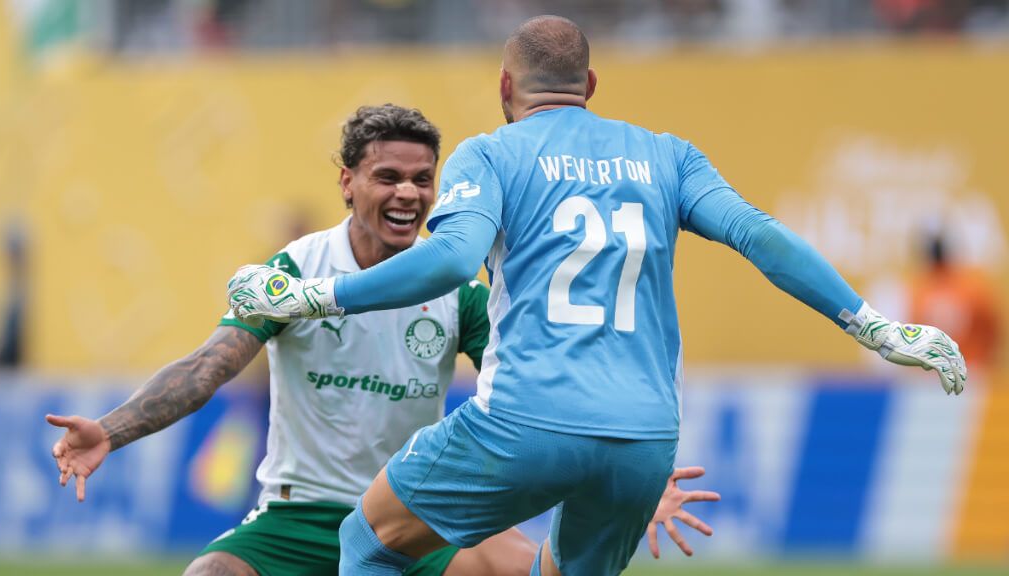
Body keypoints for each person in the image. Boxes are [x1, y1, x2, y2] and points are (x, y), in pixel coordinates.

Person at [228, 15, 969, 576]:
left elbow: (451, 260)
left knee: (369, 537)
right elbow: (760, 237)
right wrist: (874, 326)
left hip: (524, 422)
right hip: (644, 440)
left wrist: (315, 297)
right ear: (590, 87)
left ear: (505, 89)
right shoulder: (669, 155)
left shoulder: (491, 153)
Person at [47, 104, 717, 576]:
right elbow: (208, 367)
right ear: (347, 183)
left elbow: (549, 401)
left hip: (411, 512)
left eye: (423, 180)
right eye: (387, 177)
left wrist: (632, 484)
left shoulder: (458, 288)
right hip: (299, 515)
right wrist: (111, 430)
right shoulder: (294, 272)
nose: (408, 194)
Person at [909, 233, 1001, 374]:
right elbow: (991, 328)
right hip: (970, 366)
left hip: (937, 371)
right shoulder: (971, 287)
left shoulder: (922, 293)